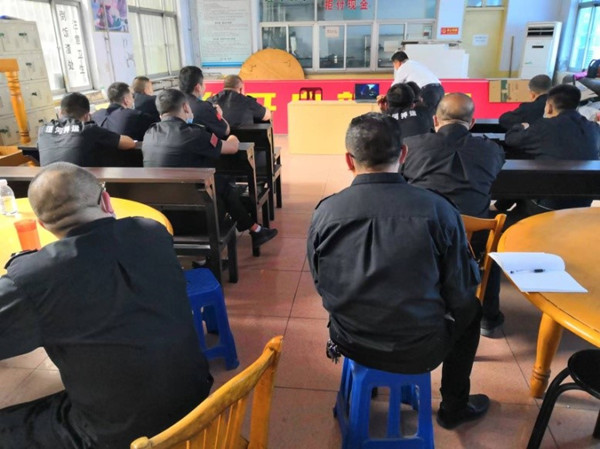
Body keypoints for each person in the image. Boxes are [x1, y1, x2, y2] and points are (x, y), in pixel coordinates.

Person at [0, 162, 213, 448]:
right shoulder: (153, 232)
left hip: (120, 435)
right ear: (106, 200)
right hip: (195, 398)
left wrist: (24, 269)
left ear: (42, 225)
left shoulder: (35, 278)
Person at [308, 112, 489, 430]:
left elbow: (321, 281)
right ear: (403, 154)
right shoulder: (439, 209)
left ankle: (369, 382)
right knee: (472, 310)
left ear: (349, 160)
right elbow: (460, 290)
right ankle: (453, 406)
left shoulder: (326, 211)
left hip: (349, 338)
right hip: (420, 348)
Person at [402, 93, 506, 337]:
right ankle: (488, 318)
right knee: (492, 245)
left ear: (435, 120)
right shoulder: (491, 150)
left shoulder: (411, 146)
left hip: (423, 236)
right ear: (472, 122)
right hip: (473, 241)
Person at [142, 88, 278, 249]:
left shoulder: (149, 134)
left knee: (216, 183)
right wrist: (233, 137)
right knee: (222, 183)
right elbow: (232, 148)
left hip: (161, 215)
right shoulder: (194, 133)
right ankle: (254, 229)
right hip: (198, 215)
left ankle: (254, 229)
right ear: (185, 107)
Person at [505, 84, 600, 213]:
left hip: (549, 204)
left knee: (522, 171)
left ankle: (503, 214)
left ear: (549, 107)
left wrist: (521, 127)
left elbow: (512, 140)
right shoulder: (593, 128)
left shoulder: (545, 126)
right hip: (583, 203)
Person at [38, 92, 136, 167]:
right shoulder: (87, 129)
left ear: (60, 113)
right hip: (77, 186)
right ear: (86, 116)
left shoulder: (43, 130)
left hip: (44, 185)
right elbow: (129, 143)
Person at [179, 65, 230, 139]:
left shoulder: (172, 104)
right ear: (198, 87)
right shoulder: (204, 107)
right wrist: (219, 115)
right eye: (203, 83)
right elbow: (226, 131)